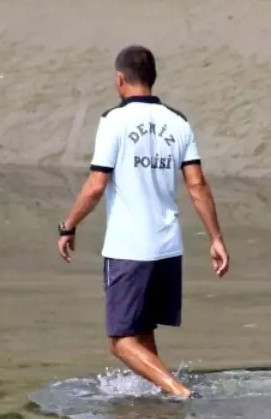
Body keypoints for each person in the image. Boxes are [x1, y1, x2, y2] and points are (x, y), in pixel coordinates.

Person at [57, 46, 230, 398]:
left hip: (129, 248)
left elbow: (96, 184)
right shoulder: (178, 122)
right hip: (167, 247)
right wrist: (215, 238)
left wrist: (68, 225)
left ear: (120, 79)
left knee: (121, 342)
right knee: (143, 334)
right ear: (152, 78)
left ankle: (177, 391)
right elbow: (196, 183)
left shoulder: (113, 121)